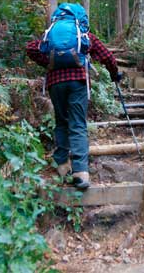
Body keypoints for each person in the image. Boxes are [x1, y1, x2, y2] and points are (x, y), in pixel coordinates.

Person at [26, 29, 120, 189]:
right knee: (78, 124)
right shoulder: (82, 34)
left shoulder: (51, 35)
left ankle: (62, 166)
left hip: (55, 82)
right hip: (78, 81)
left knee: (61, 121)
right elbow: (106, 56)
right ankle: (81, 172)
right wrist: (114, 74)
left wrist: (48, 62)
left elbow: (31, 48)